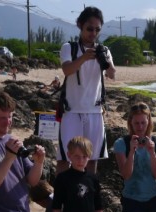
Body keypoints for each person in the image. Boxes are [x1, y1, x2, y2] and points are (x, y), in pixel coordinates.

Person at [56, 6, 116, 175]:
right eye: (89, 29)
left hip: (95, 111)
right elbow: (67, 70)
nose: (93, 33)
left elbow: (112, 75)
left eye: (97, 29)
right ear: (80, 25)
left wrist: (105, 61)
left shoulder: (103, 50)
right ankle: (62, 194)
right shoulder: (70, 47)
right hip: (72, 110)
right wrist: (83, 57)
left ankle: (88, 194)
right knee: (64, 157)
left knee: (92, 157)